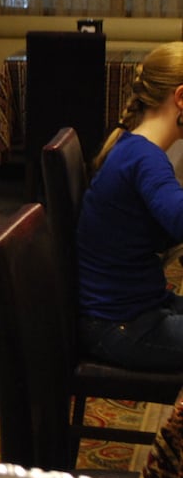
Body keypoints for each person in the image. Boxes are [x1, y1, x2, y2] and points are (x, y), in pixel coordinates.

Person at [77, 41, 183, 371]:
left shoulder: (132, 146)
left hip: (129, 311)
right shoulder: (145, 158)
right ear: (180, 98)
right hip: (121, 325)